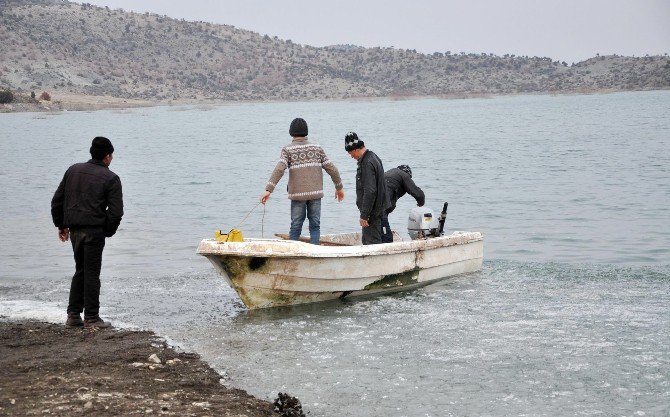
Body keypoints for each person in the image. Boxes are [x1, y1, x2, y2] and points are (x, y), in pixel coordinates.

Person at [51, 136, 124, 328]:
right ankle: (91, 317)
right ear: (107, 156)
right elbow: (116, 213)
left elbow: (57, 200)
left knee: (80, 271)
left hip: (75, 230)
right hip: (94, 231)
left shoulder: (73, 170)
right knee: (91, 273)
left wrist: (62, 225)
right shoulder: (111, 178)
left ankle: (74, 315)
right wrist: (105, 230)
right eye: (112, 156)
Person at [261, 118, 344, 245]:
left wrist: (268, 190)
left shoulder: (287, 150)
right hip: (315, 193)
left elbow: (279, 169)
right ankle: (315, 250)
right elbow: (331, 168)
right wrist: (339, 188)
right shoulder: (317, 148)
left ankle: (293, 250)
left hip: (298, 195)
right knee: (315, 225)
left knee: (296, 225)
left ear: (291, 132)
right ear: (306, 132)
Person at [345, 132, 388, 245]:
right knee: (374, 241)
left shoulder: (366, 163)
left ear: (355, 149)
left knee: (371, 243)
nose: (351, 156)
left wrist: (364, 215)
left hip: (372, 214)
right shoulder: (373, 156)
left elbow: (370, 191)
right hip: (378, 210)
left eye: (350, 153)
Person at [381, 165, 425, 243]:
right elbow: (418, 193)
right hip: (380, 209)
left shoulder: (389, 175)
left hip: (370, 208)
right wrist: (420, 204)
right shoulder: (403, 175)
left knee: (376, 233)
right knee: (387, 238)